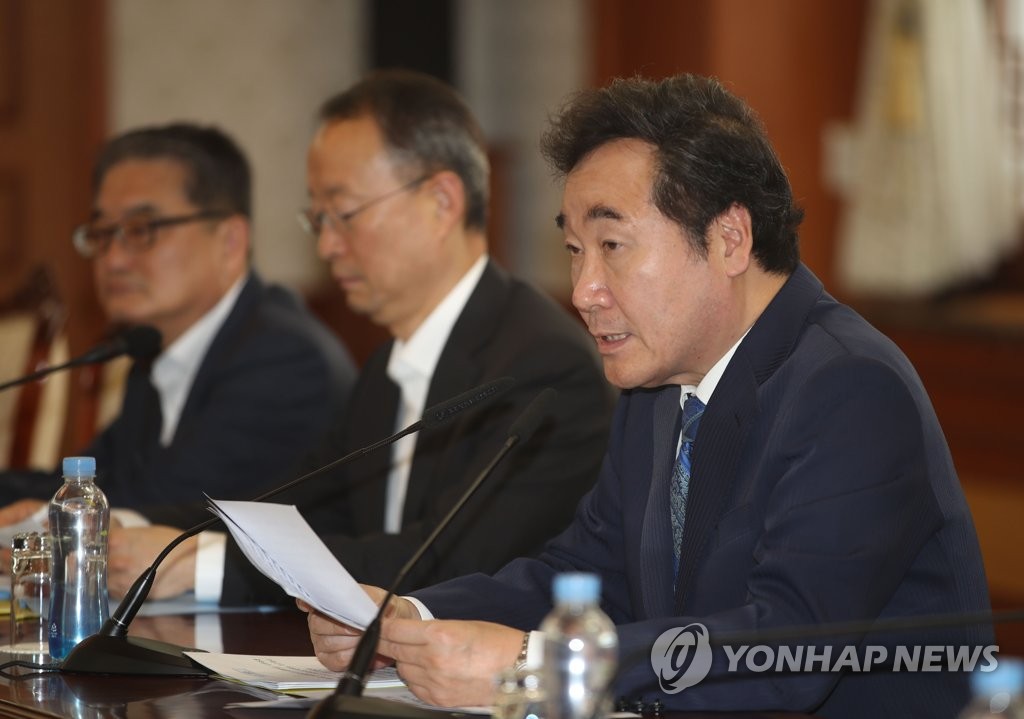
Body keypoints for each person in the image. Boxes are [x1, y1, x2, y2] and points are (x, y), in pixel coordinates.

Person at [302, 74, 993, 717]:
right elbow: (587, 575)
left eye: (612, 244)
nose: (583, 292)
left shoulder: (849, 387)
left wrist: (542, 665)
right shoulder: (658, 389)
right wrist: (411, 618)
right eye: (575, 251)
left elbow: (789, 645)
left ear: (729, 238)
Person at [105, 70, 613, 605]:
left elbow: (446, 564)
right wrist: (129, 527)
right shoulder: (385, 368)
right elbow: (295, 509)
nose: (327, 246)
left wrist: (201, 565)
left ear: (441, 202)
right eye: (318, 219)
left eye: (344, 214)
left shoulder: (540, 366)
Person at [0, 123, 356, 529]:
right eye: (102, 233)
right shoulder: (157, 352)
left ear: (230, 242)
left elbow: (161, 507)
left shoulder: (285, 360)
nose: (113, 259)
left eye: (141, 230)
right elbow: (87, 485)